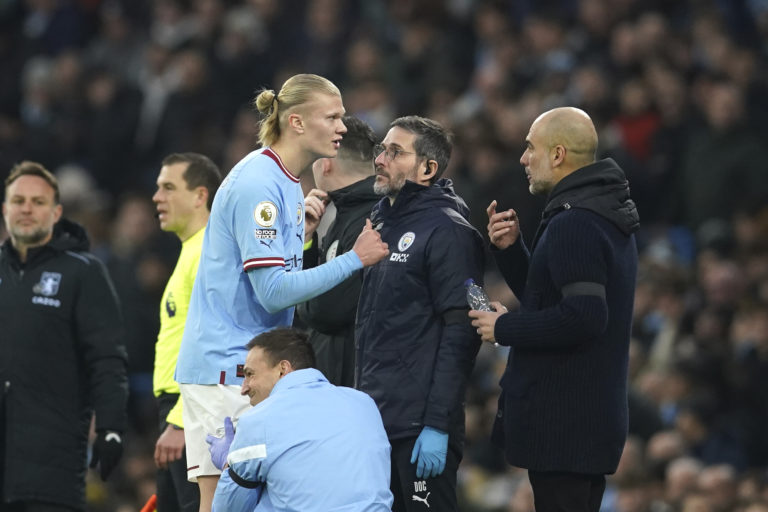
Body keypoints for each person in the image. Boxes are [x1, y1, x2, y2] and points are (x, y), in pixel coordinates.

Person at [174, 73, 389, 511]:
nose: (342, 127)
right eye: (332, 117)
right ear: (295, 122)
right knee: (221, 502)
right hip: (226, 368)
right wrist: (354, 259)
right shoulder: (260, 185)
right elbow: (272, 293)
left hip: (247, 363)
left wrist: (302, 241)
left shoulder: (287, 181)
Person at [469, 107, 640, 512]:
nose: (524, 159)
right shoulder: (598, 210)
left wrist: (505, 328)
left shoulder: (575, 222)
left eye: (531, 148)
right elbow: (553, 298)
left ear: (558, 154)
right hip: (583, 422)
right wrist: (513, 253)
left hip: (566, 426)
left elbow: (584, 316)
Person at [355, 115, 485, 511]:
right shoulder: (377, 223)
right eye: (382, 149)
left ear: (427, 168)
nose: (381, 159)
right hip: (374, 420)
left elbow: (463, 329)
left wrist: (437, 423)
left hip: (419, 426)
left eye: (396, 152)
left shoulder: (450, 232)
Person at [0, 161, 128, 511]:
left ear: (56, 212)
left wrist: (111, 426)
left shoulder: (83, 273)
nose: (27, 209)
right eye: (19, 200)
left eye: (38, 202)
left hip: (51, 465)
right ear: (5, 209)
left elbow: (106, 358)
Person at [207, 328, 393, 511]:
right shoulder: (363, 403)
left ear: (283, 369)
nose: (244, 388)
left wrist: (229, 465)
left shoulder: (257, 421)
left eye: (249, 374)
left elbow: (229, 508)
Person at [152, 153, 222, 512]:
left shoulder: (207, 253)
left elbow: (212, 337)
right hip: (179, 406)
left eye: (168, 188)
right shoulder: (191, 250)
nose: (156, 197)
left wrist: (180, 421)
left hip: (191, 408)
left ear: (200, 195)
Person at [296, 115, 379, 387]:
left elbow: (326, 312)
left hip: (352, 382)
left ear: (326, 162)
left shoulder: (368, 218)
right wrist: (307, 242)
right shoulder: (346, 213)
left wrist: (300, 298)